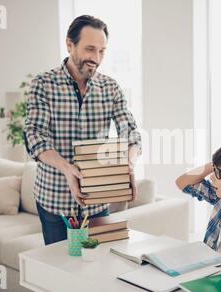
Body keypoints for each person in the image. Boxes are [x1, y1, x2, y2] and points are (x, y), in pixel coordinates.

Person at [25, 15, 141, 245]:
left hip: (96, 202)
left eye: (102, 51)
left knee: (97, 269)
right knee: (59, 270)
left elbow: (131, 132)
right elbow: (34, 137)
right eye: (90, 49)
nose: (96, 58)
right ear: (70, 44)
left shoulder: (110, 87)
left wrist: (129, 162)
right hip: (54, 200)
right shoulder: (43, 84)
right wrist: (67, 169)